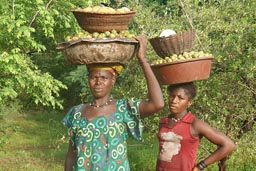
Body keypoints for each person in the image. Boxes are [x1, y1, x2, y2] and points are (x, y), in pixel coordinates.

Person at [62, 35, 165, 171]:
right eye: (94, 77)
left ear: (113, 80)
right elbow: (71, 155)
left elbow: (157, 104)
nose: (98, 82)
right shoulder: (76, 113)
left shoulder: (123, 108)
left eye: (104, 78)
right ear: (88, 79)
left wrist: (143, 60)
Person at [156, 82, 235, 171]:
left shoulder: (195, 124)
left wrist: (200, 166)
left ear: (189, 102)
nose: (174, 101)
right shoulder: (163, 122)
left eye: (180, 98)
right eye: (172, 96)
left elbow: (229, 145)